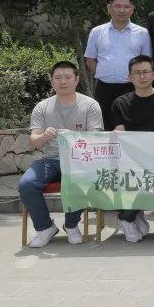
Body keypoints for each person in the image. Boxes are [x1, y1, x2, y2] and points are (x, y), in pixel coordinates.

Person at [19, 61, 104, 248]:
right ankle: (45, 227)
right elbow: (34, 140)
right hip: (50, 160)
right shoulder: (42, 107)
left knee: (79, 179)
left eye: (67, 77)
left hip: (79, 160)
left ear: (77, 79)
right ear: (51, 81)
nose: (62, 81)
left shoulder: (90, 105)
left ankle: (71, 225)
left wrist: (73, 136)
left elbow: (96, 138)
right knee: (27, 184)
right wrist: (44, 136)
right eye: (57, 78)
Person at [111, 55, 154, 243]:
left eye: (146, 72)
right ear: (130, 77)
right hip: (129, 159)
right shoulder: (120, 103)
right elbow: (121, 136)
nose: (142, 77)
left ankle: (127, 216)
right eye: (137, 73)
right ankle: (131, 215)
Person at [84, 0, 152, 130]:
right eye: (118, 6)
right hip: (104, 89)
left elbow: (146, 61)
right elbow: (90, 59)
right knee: (105, 127)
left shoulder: (142, 33)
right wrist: (104, 73)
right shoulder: (97, 32)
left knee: (131, 127)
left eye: (126, 7)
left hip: (132, 88)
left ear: (132, 9)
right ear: (109, 8)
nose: (122, 10)